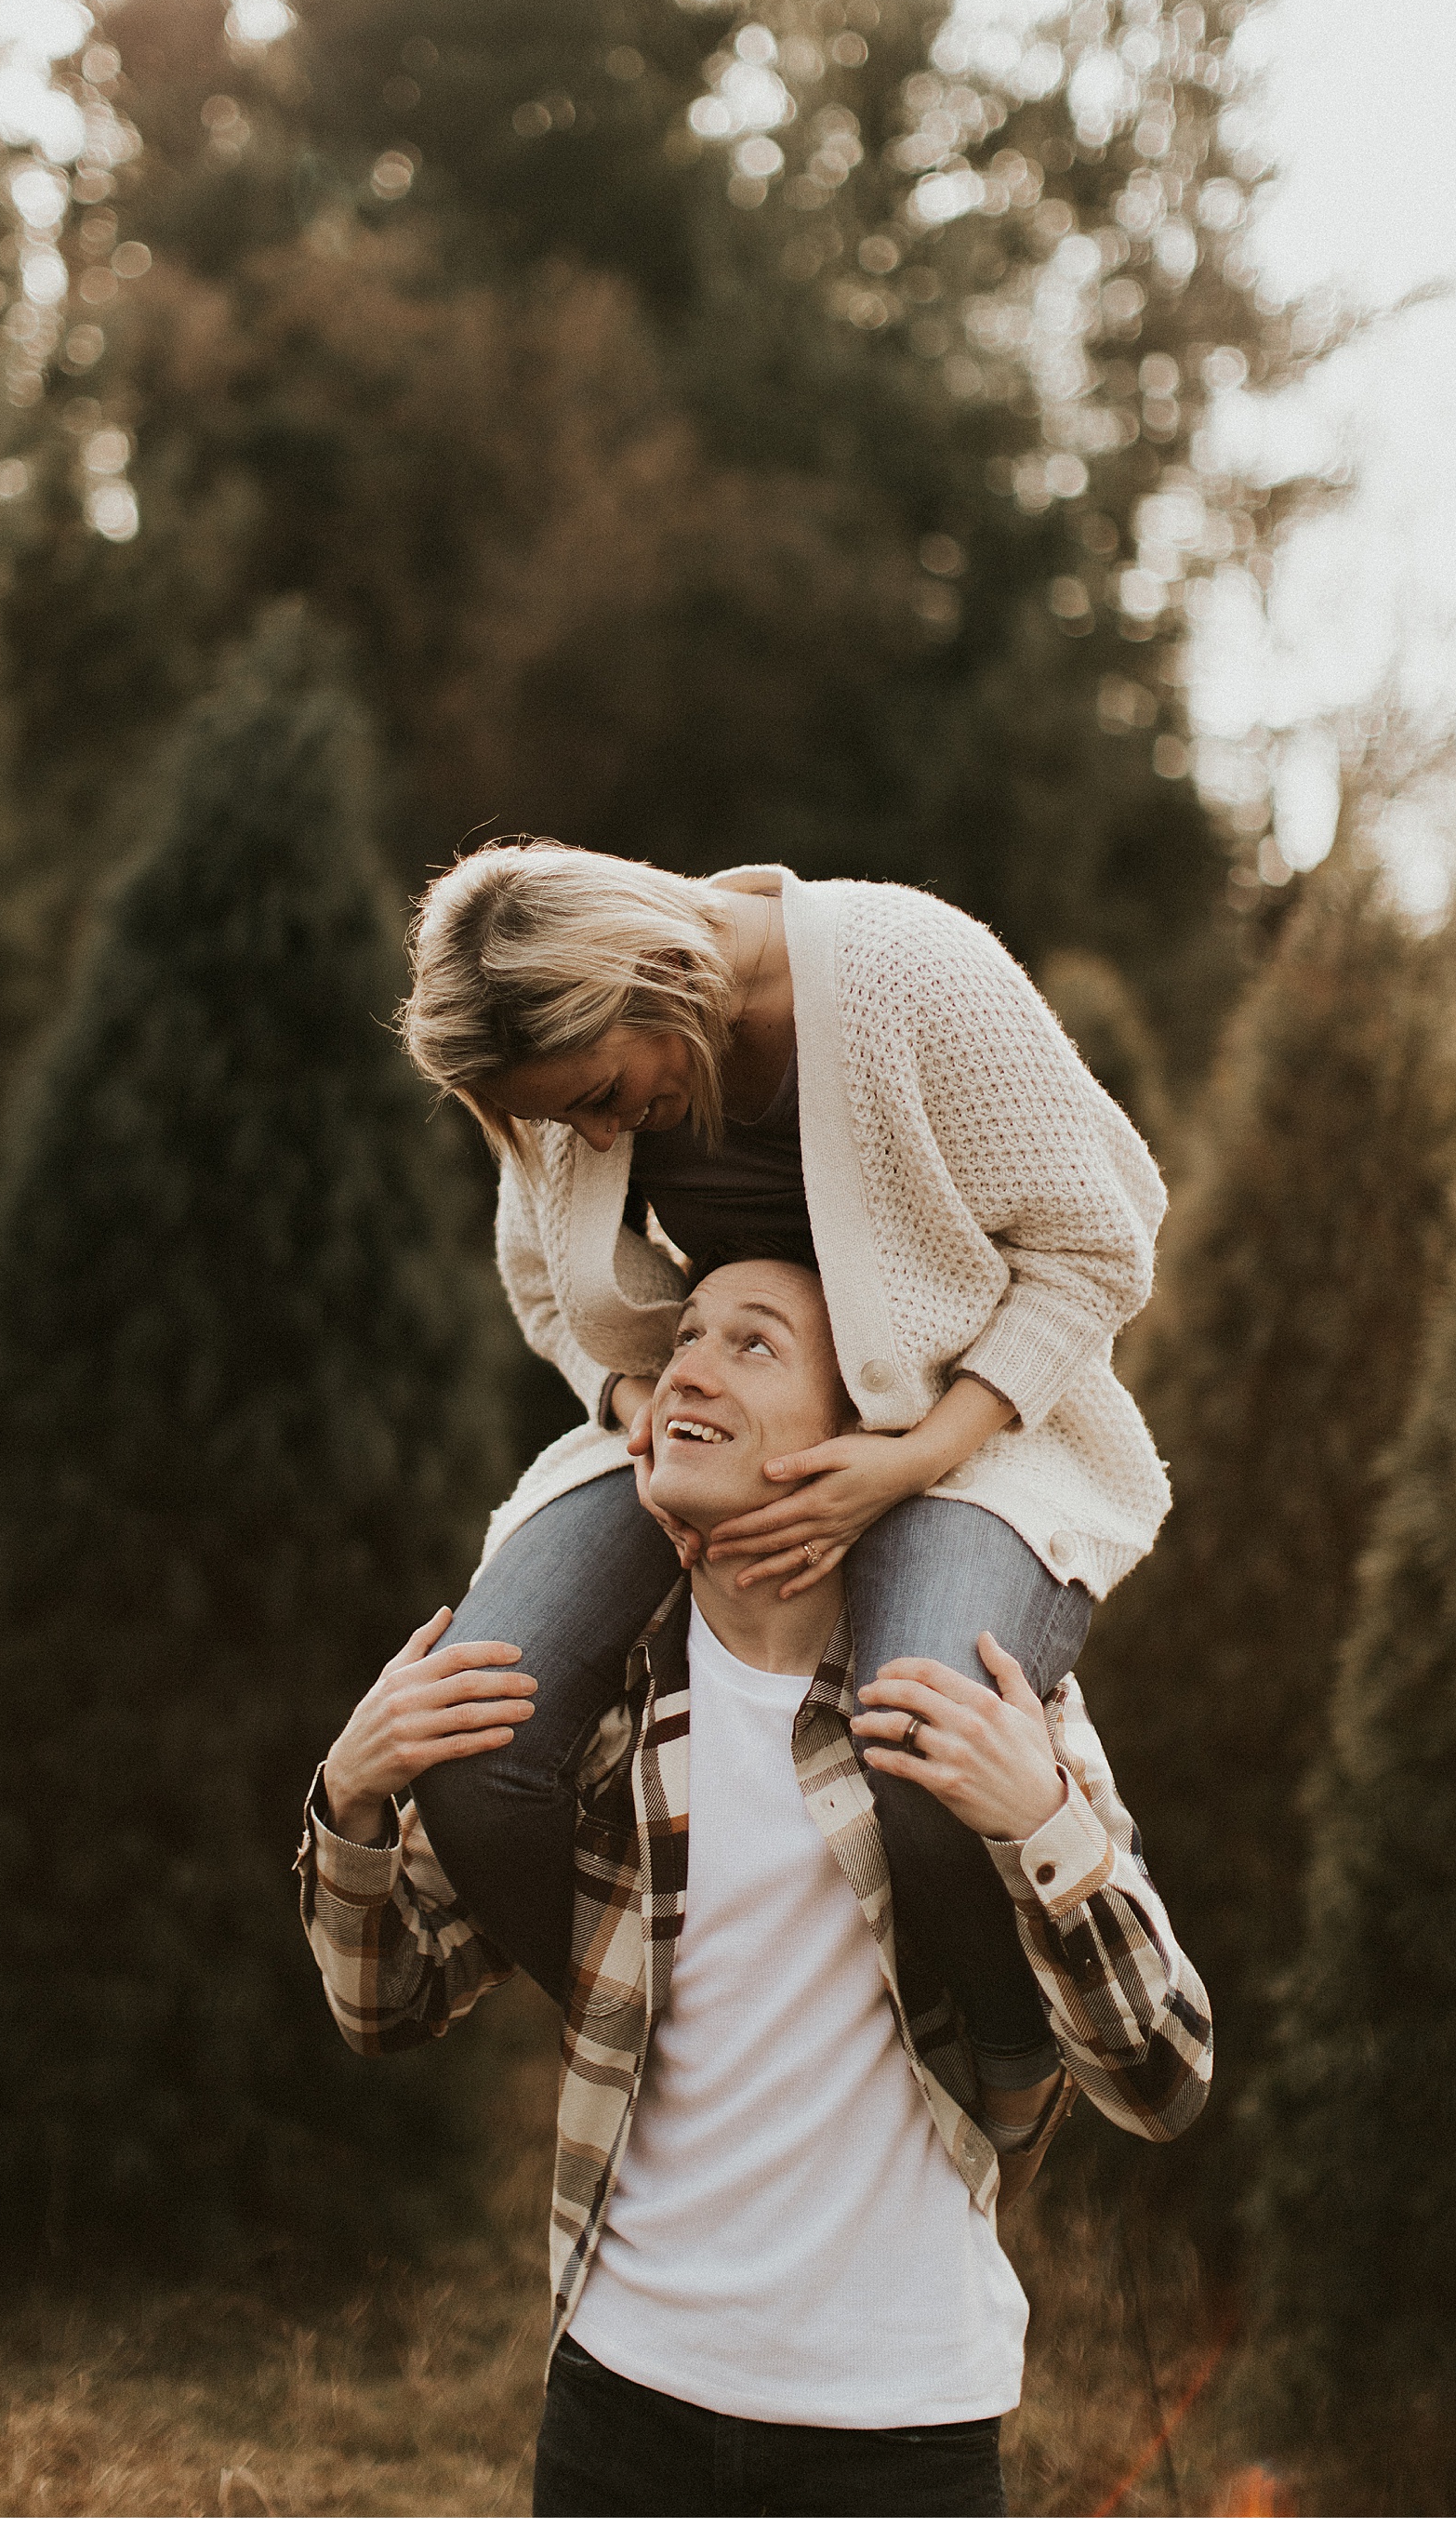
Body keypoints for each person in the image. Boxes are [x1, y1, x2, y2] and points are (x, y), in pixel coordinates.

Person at [298, 1259, 1211, 2520]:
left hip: (896, 2428)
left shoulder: (983, 1703)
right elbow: (383, 2003)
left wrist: (1043, 1823)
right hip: (621, 2394)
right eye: (683, 1336)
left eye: (755, 1344)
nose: (684, 1367)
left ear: (856, 1436)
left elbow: (1163, 2078)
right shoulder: (603, 1704)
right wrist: (348, 1794)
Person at [396, 844, 1171, 2143]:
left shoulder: (908, 975)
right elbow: (548, 1291)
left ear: (640, 974)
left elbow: (1102, 1242)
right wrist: (642, 1410)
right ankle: (690, 2052)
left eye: (598, 1093)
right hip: (714, 1409)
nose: (588, 1135)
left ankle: (997, 2065)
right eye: (561, 1117)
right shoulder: (562, 1079)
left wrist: (915, 1456)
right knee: (473, 1752)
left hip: (968, 1425)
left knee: (923, 1758)